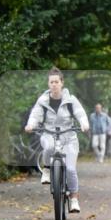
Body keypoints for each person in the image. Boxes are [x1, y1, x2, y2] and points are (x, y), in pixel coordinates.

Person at [24, 68, 90, 212]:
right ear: (48, 84)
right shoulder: (43, 101)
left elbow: (80, 113)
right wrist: (31, 125)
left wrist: (84, 124)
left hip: (69, 137)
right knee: (47, 148)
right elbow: (35, 115)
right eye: (51, 82)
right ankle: (47, 169)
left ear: (62, 83)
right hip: (49, 134)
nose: (54, 84)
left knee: (71, 169)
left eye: (56, 82)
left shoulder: (71, 100)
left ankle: (73, 199)